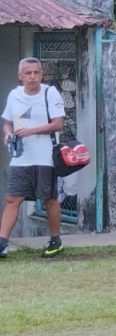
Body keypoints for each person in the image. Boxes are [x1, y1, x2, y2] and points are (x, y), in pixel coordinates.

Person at [0, 58, 66, 259]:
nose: (32, 77)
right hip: (21, 158)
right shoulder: (14, 95)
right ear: (20, 76)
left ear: (41, 74)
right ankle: (2, 243)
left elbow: (58, 124)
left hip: (45, 157)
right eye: (28, 73)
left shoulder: (50, 93)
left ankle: (55, 241)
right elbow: (7, 122)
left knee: (49, 199)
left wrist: (31, 131)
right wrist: (7, 134)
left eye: (36, 73)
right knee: (13, 198)